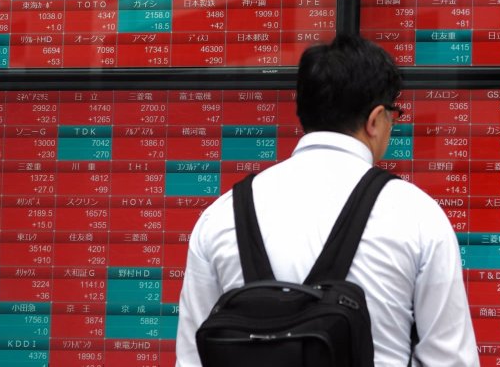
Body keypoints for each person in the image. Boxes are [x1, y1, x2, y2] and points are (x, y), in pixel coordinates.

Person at [175, 34, 480, 366]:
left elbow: (192, 358)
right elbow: (450, 360)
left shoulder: (221, 216)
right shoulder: (416, 216)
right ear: (376, 119)